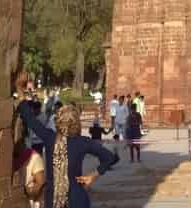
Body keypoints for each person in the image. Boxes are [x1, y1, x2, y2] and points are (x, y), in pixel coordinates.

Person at [17, 75, 119, 207]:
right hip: (77, 199)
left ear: (58, 122)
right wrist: (93, 175)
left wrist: (20, 91)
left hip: (53, 200)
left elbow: (30, 118)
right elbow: (110, 157)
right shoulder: (83, 142)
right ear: (77, 123)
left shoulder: (49, 138)